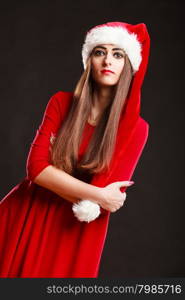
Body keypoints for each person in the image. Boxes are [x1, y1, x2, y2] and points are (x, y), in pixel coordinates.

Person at [0, 21, 150, 278]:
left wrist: (90, 195)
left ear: (129, 65)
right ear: (89, 60)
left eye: (118, 54)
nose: (107, 61)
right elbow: (36, 168)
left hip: (75, 230)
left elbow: (103, 204)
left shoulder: (136, 129)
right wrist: (96, 194)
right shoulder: (61, 102)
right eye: (99, 52)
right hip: (24, 214)